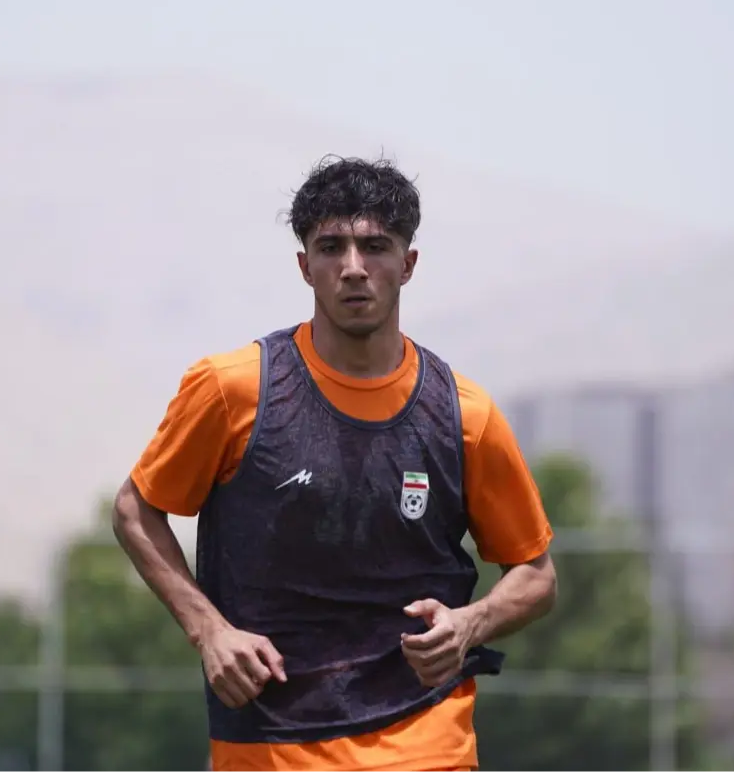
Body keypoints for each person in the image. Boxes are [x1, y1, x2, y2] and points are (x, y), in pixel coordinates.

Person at [113, 155, 557, 772]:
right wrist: (209, 630)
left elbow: (535, 574)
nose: (353, 267)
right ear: (305, 267)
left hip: (426, 740)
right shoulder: (233, 389)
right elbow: (136, 511)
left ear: (408, 264)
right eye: (331, 247)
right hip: (268, 743)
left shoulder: (464, 413)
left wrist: (470, 624)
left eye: (375, 246)